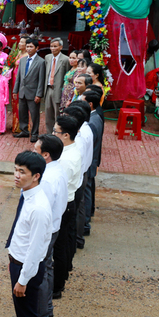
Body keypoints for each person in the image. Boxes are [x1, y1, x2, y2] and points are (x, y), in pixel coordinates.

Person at [6, 151, 52, 317]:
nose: (17, 175)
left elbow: (36, 249)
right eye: (16, 170)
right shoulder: (27, 194)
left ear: (36, 176)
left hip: (26, 268)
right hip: (17, 262)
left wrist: (23, 280)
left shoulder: (38, 208)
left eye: (22, 172)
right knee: (24, 316)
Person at [32, 135, 67, 317]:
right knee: (47, 267)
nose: (33, 153)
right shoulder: (56, 170)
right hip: (54, 226)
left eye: (36, 151)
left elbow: (40, 210)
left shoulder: (46, 179)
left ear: (46, 155)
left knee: (40, 272)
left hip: (45, 229)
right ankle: (47, 310)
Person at [52, 115, 82, 300]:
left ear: (66, 135)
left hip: (64, 205)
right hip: (68, 202)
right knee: (63, 244)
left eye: (56, 131)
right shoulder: (71, 150)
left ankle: (57, 285)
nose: (53, 133)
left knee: (59, 247)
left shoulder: (65, 159)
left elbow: (57, 187)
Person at [64, 103, 92, 254]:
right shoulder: (84, 131)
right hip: (81, 174)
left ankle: (76, 241)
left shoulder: (79, 139)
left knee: (75, 214)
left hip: (78, 178)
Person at [79, 92, 103, 242]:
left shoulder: (92, 123)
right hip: (90, 162)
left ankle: (85, 223)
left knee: (85, 195)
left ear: (90, 104)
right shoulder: (96, 117)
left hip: (89, 163)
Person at [13, 38, 46, 142]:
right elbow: (18, 76)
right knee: (22, 112)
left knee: (34, 114)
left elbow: (41, 80)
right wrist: (15, 90)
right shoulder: (22, 60)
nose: (29, 48)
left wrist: (39, 94)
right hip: (22, 91)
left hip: (33, 93)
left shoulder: (41, 62)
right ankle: (24, 131)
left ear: (37, 48)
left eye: (31, 46)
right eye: (27, 46)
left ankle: (35, 133)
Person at [44, 38, 70, 135]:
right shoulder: (47, 57)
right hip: (48, 89)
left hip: (58, 90)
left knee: (57, 114)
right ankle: (49, 134)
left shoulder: (66, 59)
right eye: (51, 46)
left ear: (61, 47)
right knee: (48, 113)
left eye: (55, 46)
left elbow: (67, 76)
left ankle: (57, 134)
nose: (53, 48)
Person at [11, 36, 29, 134]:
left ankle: (21, 126)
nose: (19, 44)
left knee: (20, 102)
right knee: (14, 102)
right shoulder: (18, 53)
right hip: (14, 79)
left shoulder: (26, 56)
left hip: (21, 80)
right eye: (20, 42)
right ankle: (15, 124)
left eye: (22, 42)